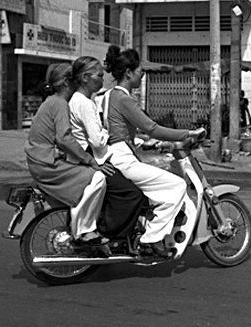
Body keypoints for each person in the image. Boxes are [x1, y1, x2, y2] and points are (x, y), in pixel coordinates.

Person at [102, 45, 204, 257]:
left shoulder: (107, 96)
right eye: (141, 71)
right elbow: (152, 127)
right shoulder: (124, 99)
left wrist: (148, 143)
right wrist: (187, 134)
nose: (143, 75)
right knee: (177, 185)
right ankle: (152, 238)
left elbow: (119, 131)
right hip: (123, 159)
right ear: (129, 73)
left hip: (115, 153)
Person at [25, 63, 114, 246]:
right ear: (67, 82)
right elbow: (64, 138)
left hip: (41, 161)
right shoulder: (59, 104)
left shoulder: (51, 102)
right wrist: (90, 160)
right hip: (46, 164)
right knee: (97, 177)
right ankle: (84, 231)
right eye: (74, 78)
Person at [69, 56, 146, 238]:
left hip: (87, 156)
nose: (102, 80)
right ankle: (109, 235)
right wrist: (108, 135)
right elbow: (96, 140)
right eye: (98, 76)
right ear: (85, 77)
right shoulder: (85, 103)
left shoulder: (79, 99)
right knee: (132, 194)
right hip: (93, 158)